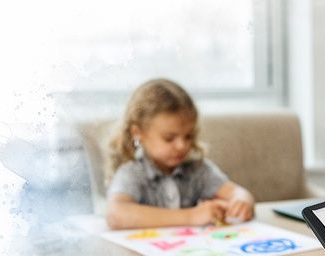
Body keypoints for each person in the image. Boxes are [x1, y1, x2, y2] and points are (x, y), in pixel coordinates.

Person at [105, 78, 256, 230]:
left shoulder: (197, 169)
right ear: (138, 133)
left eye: (189, 136)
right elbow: (115, 215)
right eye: (169, 138)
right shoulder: (132, 173)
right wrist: (191, 216)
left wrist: (242, 201)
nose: (181, 145)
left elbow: (236, 192)